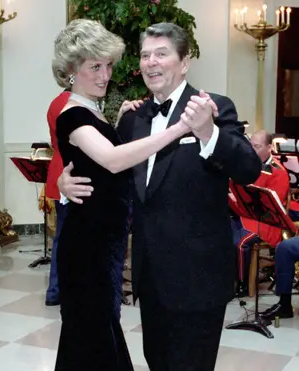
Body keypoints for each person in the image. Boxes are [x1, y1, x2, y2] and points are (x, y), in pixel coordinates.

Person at [57, 22, 261, 371]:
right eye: (145, 55)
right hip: (150, 278)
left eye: (162, 54)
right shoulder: (133, 119)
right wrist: (65, 183)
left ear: (185, 62)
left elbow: (249, 169)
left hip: (197, 279)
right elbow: (109, 172)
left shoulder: (213, 107)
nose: (151, 63)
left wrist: (208, 133)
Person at [231, 130, 289, 297]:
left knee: (241, 243)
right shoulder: (248, 162)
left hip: (265, 221)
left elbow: (271, 207)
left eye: (256, 146)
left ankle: (242, 284)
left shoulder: (278, 172)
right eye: (251, 145)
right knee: (218, 233)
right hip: (243, 213)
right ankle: (227, 279)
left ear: (270, 147)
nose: (251, 150)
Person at [44, 88, 71, 307]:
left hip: (58, 168)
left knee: (62, 237)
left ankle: (56, 289)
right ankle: (57, 289)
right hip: (69, 172)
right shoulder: (72, 102)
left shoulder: (56, 101)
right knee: (67, 237)